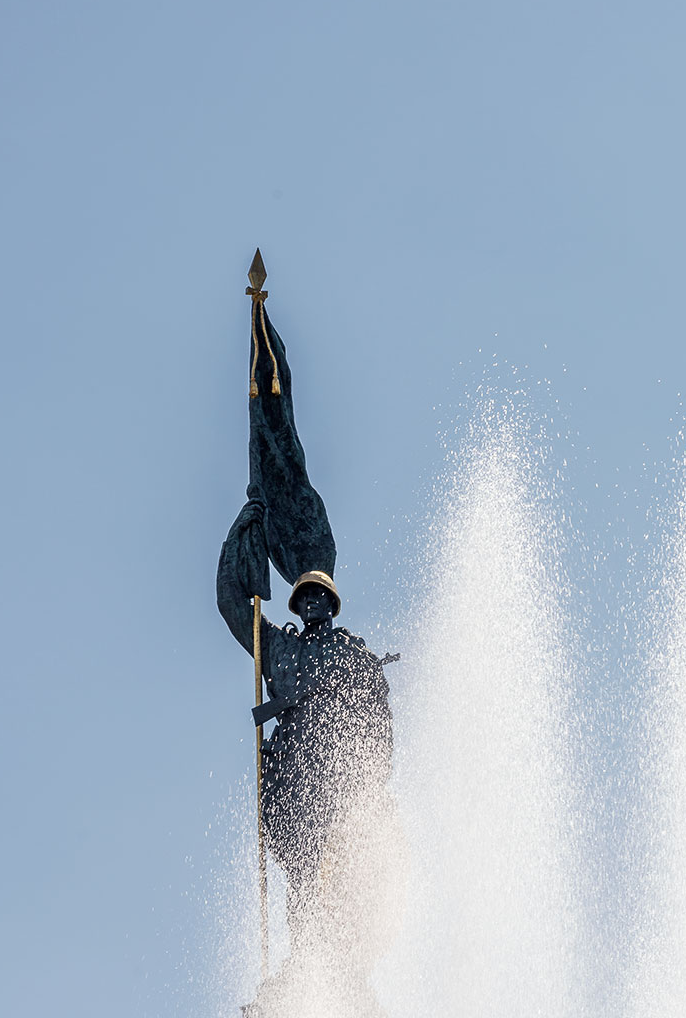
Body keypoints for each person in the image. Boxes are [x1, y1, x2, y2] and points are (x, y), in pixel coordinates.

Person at [216, 283, 399, 1014]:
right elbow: (235, 609)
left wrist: (373, 789)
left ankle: (332, 984)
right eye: (306, 599)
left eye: (319, 598)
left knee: (334, 901)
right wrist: (246, 533)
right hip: (304, 795)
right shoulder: (293, 653)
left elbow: (380, 733)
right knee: (309, 902)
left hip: (340, 798)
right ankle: (308, 985)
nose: (313, 605)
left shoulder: (347, 657)